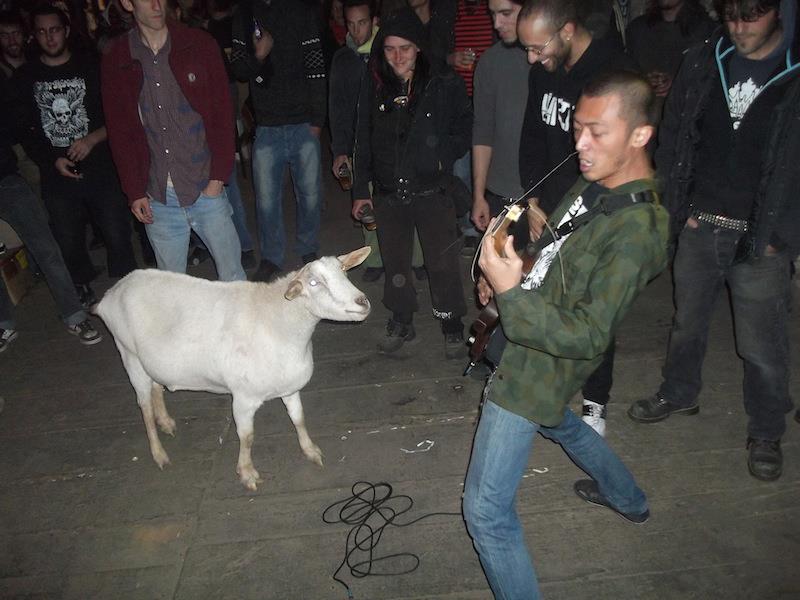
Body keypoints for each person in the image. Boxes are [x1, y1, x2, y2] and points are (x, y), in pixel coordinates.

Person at [462, 69, 668, 599]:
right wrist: (512, 274)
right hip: (536, 329)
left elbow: (591, 336)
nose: (579, 142)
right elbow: (555, 246)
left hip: (542, 362)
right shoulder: (597, 179)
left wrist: (513, 298)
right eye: (578, 127)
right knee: (561, 423)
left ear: (640, 135)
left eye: (597, 130)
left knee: (485, 512)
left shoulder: (638, 231)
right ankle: (628, 498)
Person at [627, 0, 800, 482]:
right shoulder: (705, 59)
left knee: (761, 344)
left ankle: (766, 428)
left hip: (762, 233)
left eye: (753, 16)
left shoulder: (793, 69)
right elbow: (675, 135)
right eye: (732, 16)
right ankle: (680, 392)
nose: (740, 28)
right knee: (687, 321)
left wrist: (782, 235)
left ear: (779, 13)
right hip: (701, 222)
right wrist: (677, 210)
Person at [516, 0, 635, 435]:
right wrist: (532, 203)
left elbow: (623, 161)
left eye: (537, 47)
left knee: (591, 307)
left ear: (567, 30)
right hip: (544, 209)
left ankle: (595, 402)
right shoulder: (541, 75)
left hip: (594, 213)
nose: (531, 58)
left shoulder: (613, 75)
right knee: (542, 297)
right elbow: (530, 142)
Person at [351, 8, 471, 358]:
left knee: (442, 263)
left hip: (432, 190)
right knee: (396, 263)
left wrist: (439, 156)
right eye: (390, 49)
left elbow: (465, 126)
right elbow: (363, 139)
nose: (398, 56)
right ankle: (402, 319)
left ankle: (452, 324)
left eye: (405, 47)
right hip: (389, 192)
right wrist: (361, 190)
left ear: (418, 47)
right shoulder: (374, 84)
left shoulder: (442, 82)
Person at [101, 0, 246, 282]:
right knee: (171, 289)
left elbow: (222, 114)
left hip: (205, 185)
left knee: (234, 278)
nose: (157, 5)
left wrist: (218, 178)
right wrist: (134, 191)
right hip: (158, 196)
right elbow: (120, 131)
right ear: (128, 4)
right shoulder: (117, 57)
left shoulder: (199, 44)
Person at [13, 4, 137, 308]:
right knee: (67, 237)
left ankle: (128, 290)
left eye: (54, 30)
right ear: (34, 36)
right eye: (41, 31)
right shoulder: (26, 76)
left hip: (100, 166)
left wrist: (92, 138)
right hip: (57, 172)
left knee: (116, 230)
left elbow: (120, 115)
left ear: (66, 31)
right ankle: (81, 285)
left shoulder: (92, 66)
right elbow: (25, 130)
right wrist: (50, 158)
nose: (49, 37)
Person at [1, 75, 102, 349]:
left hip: (6, 179)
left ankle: (75, 315)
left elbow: (18, 126)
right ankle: (3, 325)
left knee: (46, 248)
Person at [231, 0, 327, 282]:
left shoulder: (301, 10)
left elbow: (316, 66)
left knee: (310, 195)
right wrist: (259, 56)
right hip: (268, 126)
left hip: (303, 123)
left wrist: (318, 120)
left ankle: (308, 247)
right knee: (266, 201)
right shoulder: (245, 13)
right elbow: (237, 69)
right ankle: (272, 257)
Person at [471, 0, 528, 229]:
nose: (497, 24)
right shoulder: (490, 61)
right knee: (494, 262)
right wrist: (478, 195)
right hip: (502, 193)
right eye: (493, 14)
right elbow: (483, 130)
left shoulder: (555, 59)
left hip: (550, 196)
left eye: (506, 13)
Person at [626, 0, 715, 113]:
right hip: (642, 111)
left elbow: (710, 83)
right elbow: (625, 75)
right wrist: (643, 81)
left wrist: (679, 84)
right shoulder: (637, 30)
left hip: (685, 115)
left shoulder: (707, 31)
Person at [0, 10, 26, 78]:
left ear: (23, 34)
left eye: (16, 34)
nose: (12, 41)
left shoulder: (36, 61)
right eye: (5, 35)